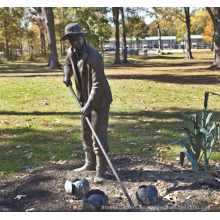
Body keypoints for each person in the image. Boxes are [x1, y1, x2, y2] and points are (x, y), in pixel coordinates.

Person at [60, 23, 113, 183]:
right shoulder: (71, 52)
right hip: (84, 99)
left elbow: (97, 85)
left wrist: (89, 106)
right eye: (72, 41)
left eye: (77, 39)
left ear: (83, 37)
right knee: (86, 133)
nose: (75, 44)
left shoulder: (95, 56)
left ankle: (101, 170)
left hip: (100, 100)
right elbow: (67, 64)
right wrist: (66, 75)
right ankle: (89, 163)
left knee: (99, 136)